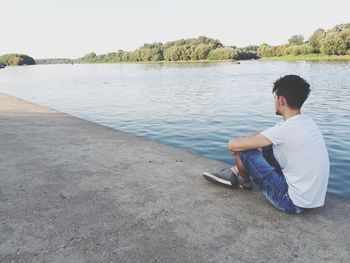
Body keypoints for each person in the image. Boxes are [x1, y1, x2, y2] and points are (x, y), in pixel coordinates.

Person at [203, 75, 330, 214]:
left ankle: (243, 180)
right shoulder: (307, 123)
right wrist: (252, 141)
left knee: (244, 150)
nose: (274, 101)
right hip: (311, 199)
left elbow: (232, 145)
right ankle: (235, 171)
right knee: (265, 144)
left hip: (290, 201)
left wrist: (243, 145)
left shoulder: (285, 130)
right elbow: (268, 133)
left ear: (281, 100)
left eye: (275, 98)